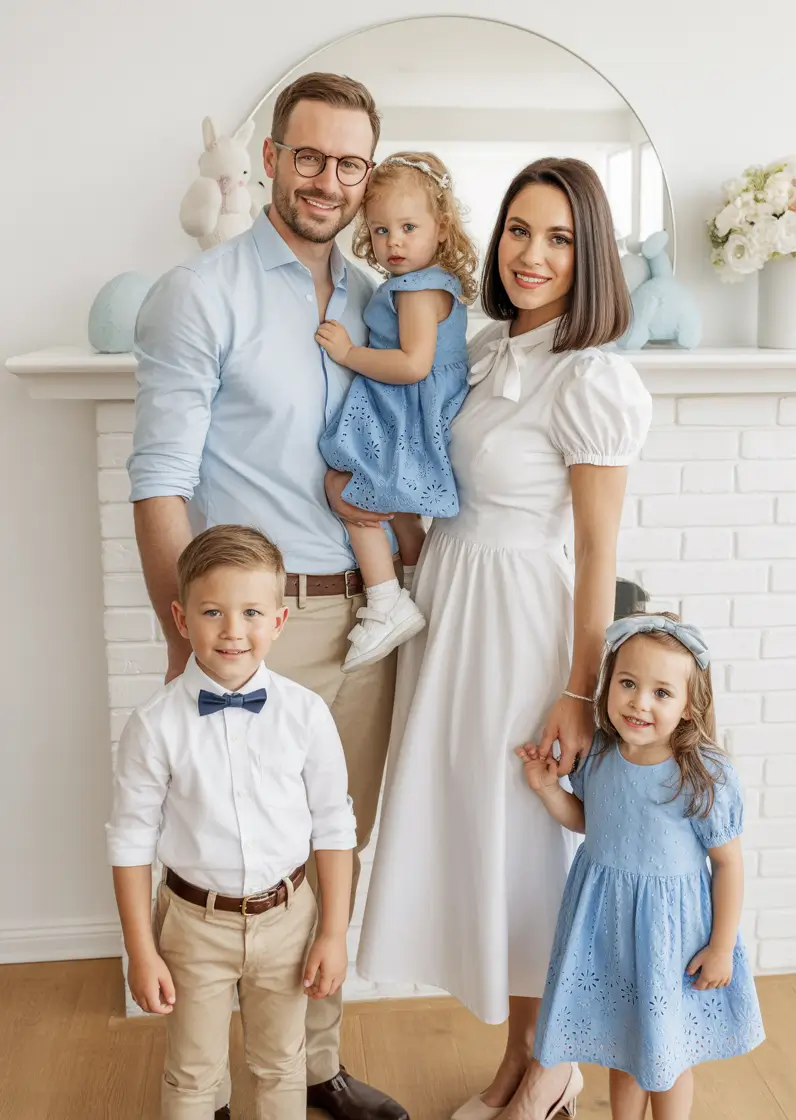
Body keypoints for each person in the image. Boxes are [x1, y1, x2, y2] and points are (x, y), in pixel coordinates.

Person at [328, 158, 652, 1120]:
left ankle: (551, 1069)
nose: (532, 254)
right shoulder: (482, 349)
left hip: (522, 626)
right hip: (457, 609)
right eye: (518, 229)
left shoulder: (591, 377)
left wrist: (581, 691)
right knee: (493, 847)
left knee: (533, 850)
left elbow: (597, 552)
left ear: (590, 255)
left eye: (558, 238)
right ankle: (521, 1058)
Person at [127, 71, 408, 1120]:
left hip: (364, 621)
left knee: (330, 847)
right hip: (249, 629)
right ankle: (206, 1079)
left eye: (349, 164)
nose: (327, 181)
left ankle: (311, 1067)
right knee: (224, 855)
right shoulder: (199, 295)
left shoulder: (385, 303)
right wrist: (185, 642)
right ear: (271, 160)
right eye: (309, 157)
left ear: (368, 174)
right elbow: (159, 481)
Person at [106, 525, 357, 1119]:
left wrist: (333, 933)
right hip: (194, 924)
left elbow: (333, 825)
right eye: (213, 611)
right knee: (193, 1073)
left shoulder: (306, 714)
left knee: (282, 1063)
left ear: (279, 621)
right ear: (181, 617)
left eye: (251, 612)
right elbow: (131, 839)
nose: (233, 631)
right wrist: (141, 951)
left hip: (289, 919)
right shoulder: (154, 725)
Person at [517, 612, 765, 1120]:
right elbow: (591, 822)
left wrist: (721, 947)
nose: (639, 702)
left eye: (661, 692)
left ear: (689, 707)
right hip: (607, 929)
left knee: (667, 1053)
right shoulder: (599, 755)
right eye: (628, 684)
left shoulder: (702, 775)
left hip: (672, 939)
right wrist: (547, 790)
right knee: (624, 1045)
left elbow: (728, 865)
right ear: (609, 684)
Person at [316, 150, 476, 672]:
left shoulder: (416, 291)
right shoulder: (435, 283)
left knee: (352, 490)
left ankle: (386, 601)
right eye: (381, 230)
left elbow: (412, 364)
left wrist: (347, 354)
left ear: (441, 228)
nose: (394, 243)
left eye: (409, 227)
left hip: (405, 411)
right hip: (416, 412)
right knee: (402, 514)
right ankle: (419, 587)